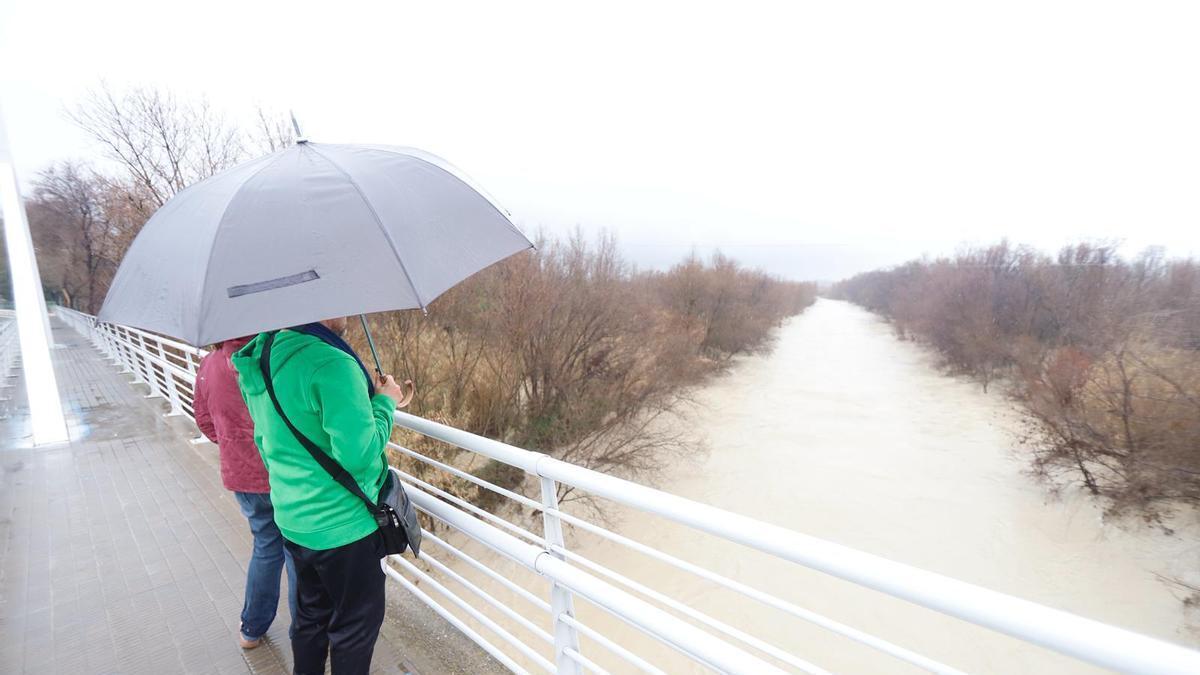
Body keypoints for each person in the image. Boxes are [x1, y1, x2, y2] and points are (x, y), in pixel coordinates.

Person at [231, 317, 413, 675]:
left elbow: (264, 445)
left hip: (295, 522)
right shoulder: (331, 363)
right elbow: (360, 455)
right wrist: (386, 403)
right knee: (354, 630)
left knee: (310, 620)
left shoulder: (264, 355)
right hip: (345, 529)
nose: (347, 314)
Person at [194, 336, 298, 649]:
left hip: (242, 475)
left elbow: (204, 420)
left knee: (266, 548)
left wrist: (233, 445)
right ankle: (305, 630)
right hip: (285, 474)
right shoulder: (274, 355)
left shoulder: (209, 366)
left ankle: (252, 629)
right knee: (297, 553)